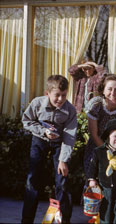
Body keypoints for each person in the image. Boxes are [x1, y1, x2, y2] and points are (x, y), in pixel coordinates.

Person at [21, 75, 77, 223]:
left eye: (63, 95)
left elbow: (70, 136)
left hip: (59, 144)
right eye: (56, 95)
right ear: (47, 93)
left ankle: (65, 220)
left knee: (62, 180)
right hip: (39, 140)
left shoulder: (70, 110)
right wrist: (42, 131)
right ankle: (26, 220)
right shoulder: (37, 103)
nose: (60, 99)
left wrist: (63, 160)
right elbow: (26, 121)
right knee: (32, 180)